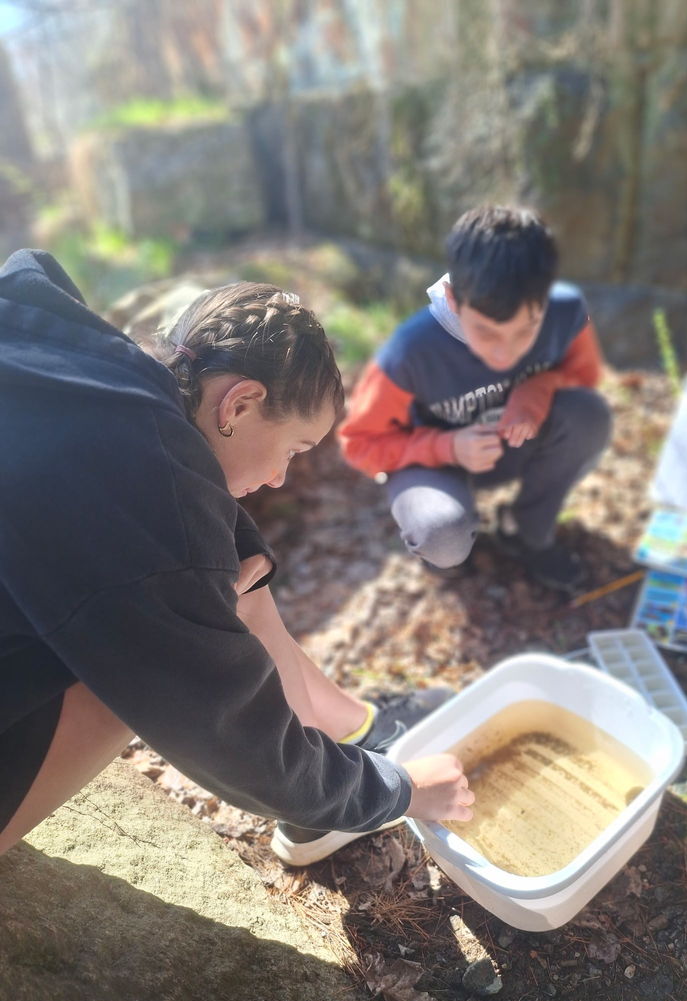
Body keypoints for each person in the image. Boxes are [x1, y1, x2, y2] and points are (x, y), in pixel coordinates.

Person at [0, 250, 474, 870]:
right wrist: (400, 792)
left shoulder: (77, 363)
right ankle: (333, 785)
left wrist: (232, 546)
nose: (280, 478)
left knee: (239, 572)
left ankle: (353, 728)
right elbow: (231, 736)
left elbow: (174, 527)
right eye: (294, 449)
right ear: (241, 405)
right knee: (132, 674)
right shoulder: (153, 499)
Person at [337, 205, 612, 593]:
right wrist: (446, 447)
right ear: (452, 298)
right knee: (441, 535)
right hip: (428, 463)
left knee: (590, 417)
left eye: (525, 331)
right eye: (486, 332)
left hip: (510, 447)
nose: (505, 354)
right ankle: (446, 547)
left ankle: (526, 531)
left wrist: (538, 387)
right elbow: (359, 444)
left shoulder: (566, 311)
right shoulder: (408, 352)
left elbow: (584, 380)